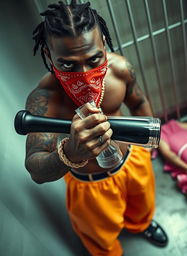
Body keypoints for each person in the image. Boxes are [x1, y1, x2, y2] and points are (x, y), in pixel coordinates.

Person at [25, 1, 168, 255]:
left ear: (103, 42)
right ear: (49, 55)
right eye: (68, 64)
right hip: (90, 187)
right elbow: (35, 168)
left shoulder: (120, 69)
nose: (84, 74)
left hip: (133, 162)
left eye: (94, 59)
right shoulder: (46, 97)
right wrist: (69, 154)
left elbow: (139, 102)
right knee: (100, 239)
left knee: (142, 208)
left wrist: (148, 148)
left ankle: (140, 225)